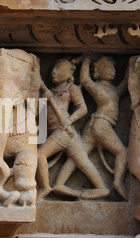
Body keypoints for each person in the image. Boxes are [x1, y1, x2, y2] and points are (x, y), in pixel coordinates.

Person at [53, 55, 128, 199]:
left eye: (113, 67)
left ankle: (59, 183)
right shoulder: (98, 87)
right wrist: (86, 60)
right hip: (102, 124)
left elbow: (124, 84)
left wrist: (131, 68)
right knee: (121, 152)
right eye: (106, 67)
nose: (112, 70)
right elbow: (85, 80)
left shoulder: (114, 90)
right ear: (97, 72)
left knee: (79, 156)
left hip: (92, 126)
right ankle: (118, 182)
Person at [37, 58, 109, 200]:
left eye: (58, 68)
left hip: (63, 130)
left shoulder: (72, 89)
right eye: (53, 69)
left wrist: (69, 120)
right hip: (62, 133)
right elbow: (39, 113)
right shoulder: (49, 91)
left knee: (40, 155)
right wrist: (44, 99)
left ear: (69, 72)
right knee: (83, 163)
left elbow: (83, 109)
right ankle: (99, 189)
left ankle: (45, 187)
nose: (54, 72)